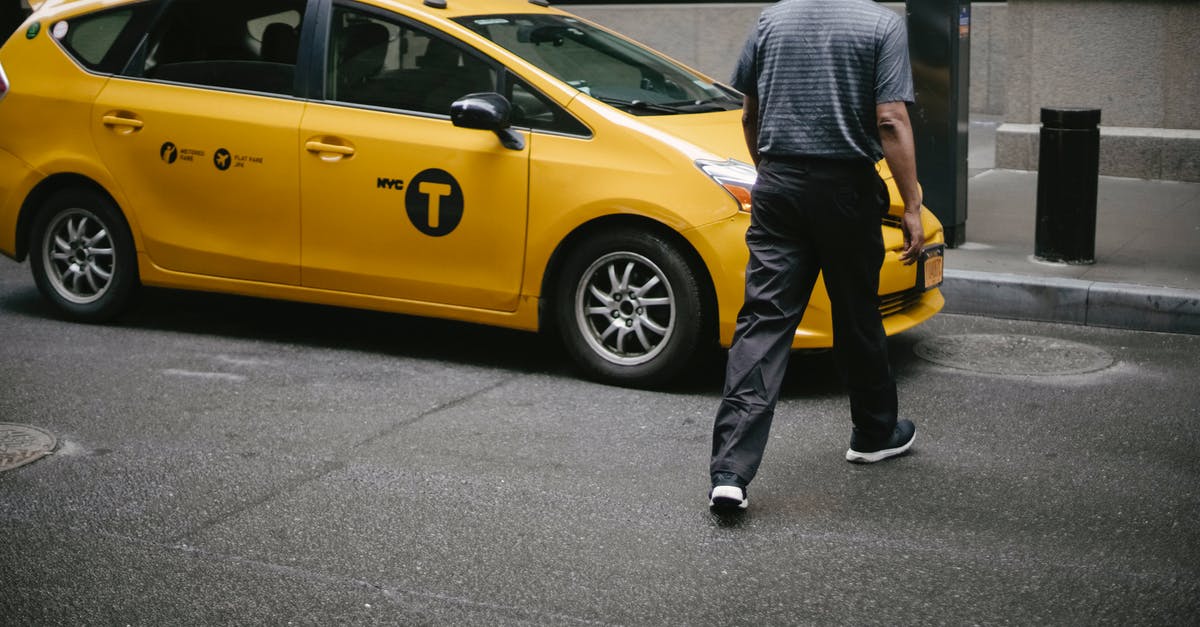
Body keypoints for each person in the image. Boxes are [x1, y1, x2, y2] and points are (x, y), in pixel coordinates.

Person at [709, 0, 925, 510]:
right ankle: (873, 435)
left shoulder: (772, 20)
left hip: (779, 180)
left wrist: (773, 174)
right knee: (856, 312)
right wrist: (911, 201)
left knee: (763, 320)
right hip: (845, 188)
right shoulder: (880, 24)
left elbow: (749, 111)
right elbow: (891, 119)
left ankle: (730, 473)